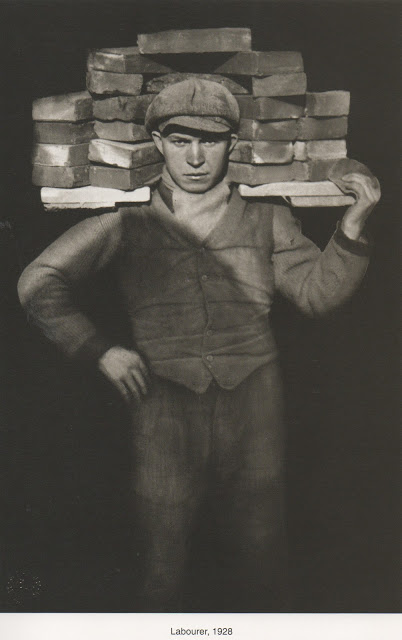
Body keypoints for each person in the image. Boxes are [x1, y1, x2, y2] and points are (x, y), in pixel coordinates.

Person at [17, 79, 381, 612]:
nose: (194, 157)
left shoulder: (267, 216)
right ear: (158, 143)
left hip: (254, 402)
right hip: (162, 406)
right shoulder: (127, 219)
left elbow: (317, 295)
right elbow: (37, 282)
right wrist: (99, 350)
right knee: (160, 561)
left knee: (262, 556)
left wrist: (352, 226)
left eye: (209, 141)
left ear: (231, 146)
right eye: (179, 139)